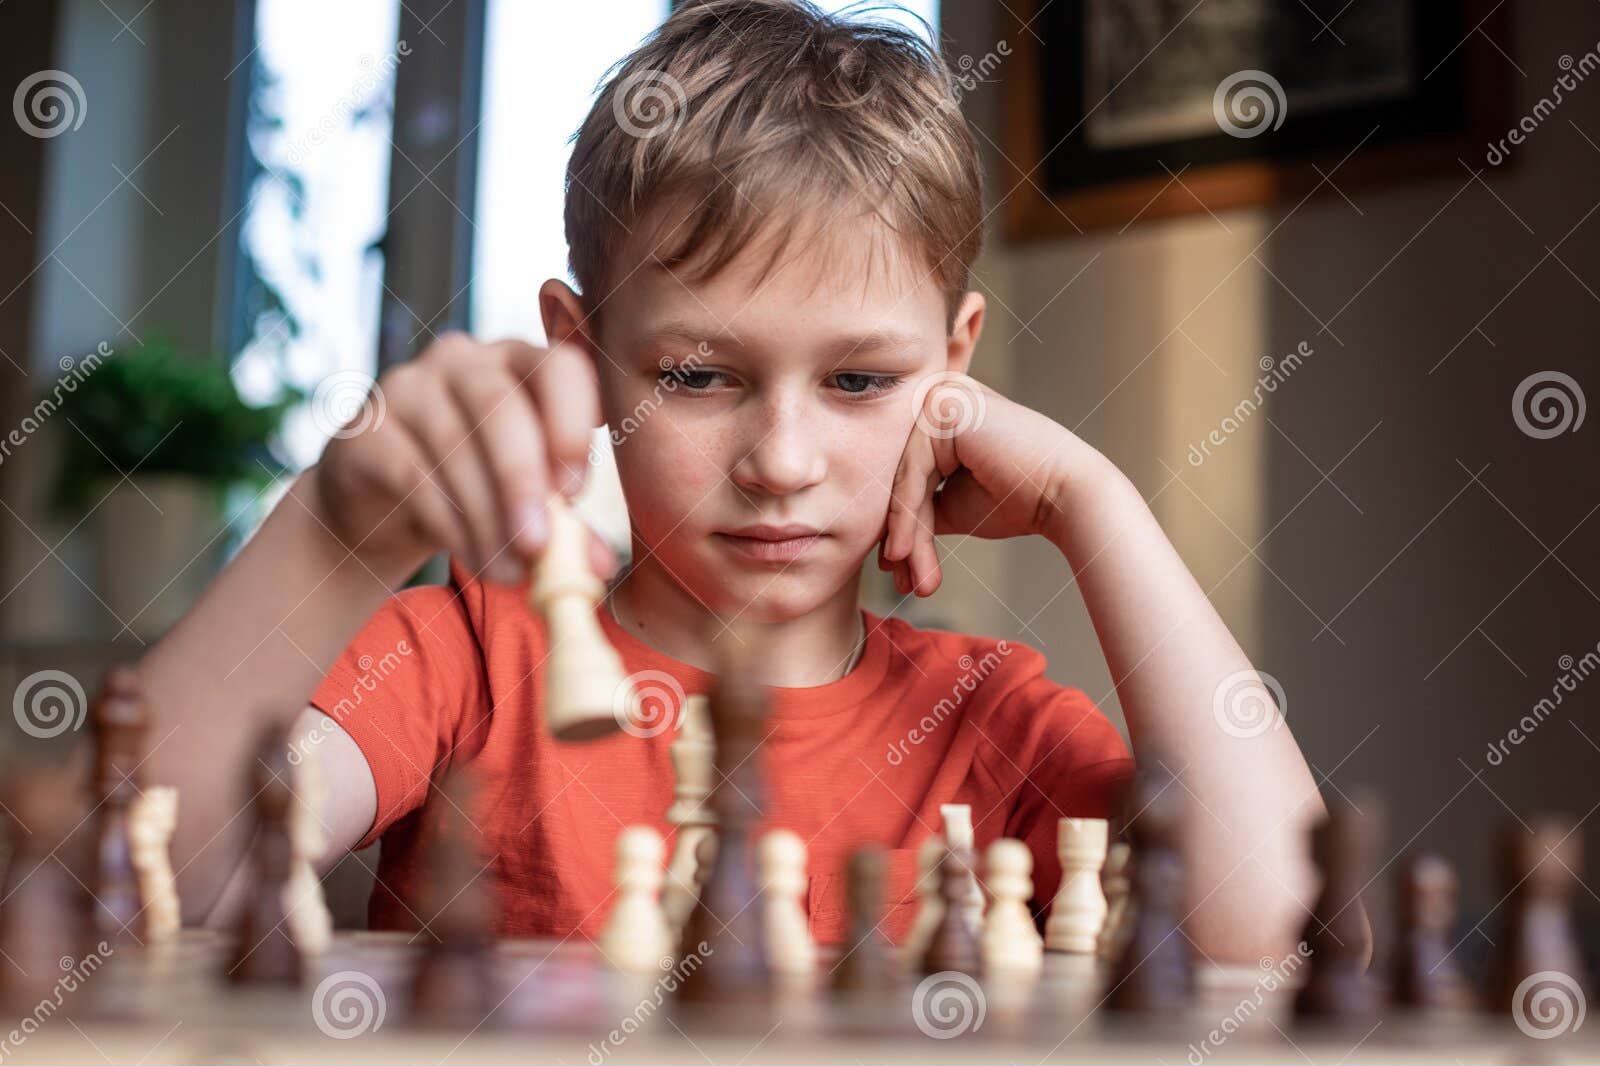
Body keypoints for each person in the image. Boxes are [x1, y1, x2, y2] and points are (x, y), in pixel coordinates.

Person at [120, 0, 1340, 960]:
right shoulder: (463, 665)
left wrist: (1096, 505)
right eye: (700, 375)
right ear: (582, 356)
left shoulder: (986, 719)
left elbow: (1277, 942)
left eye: (860, 381)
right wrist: (336, 534)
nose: (781, 462)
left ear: (953, 369)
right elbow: (128, 889)